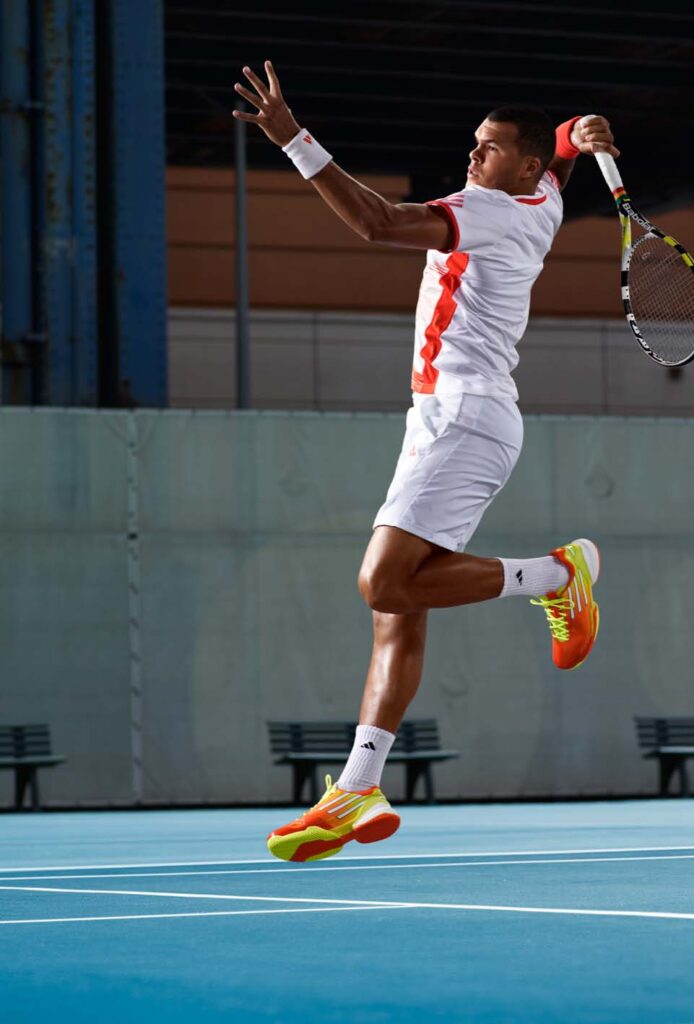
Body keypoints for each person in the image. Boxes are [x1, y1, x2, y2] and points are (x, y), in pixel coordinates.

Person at [233, 63, 619, 863]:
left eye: (487, 148)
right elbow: (549, 152)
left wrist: (292, 141)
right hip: (447, 418)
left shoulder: (487, 210)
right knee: (397, 609)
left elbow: (375, 223)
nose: (471, 156)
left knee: (383, 582)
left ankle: (556, 575)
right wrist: (575, 129)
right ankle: (356, 788)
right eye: (473, 144)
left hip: (465, 417)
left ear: (517, 170)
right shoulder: (542, 195)